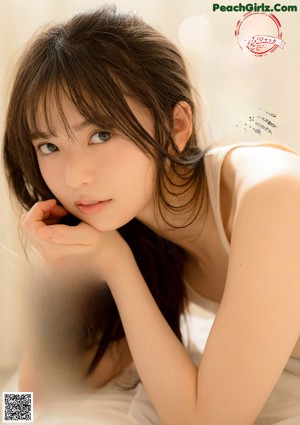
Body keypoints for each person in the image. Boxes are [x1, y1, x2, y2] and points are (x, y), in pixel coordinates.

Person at [3, 4, 300, 424]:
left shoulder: (275, 194)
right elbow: (31, 400)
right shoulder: (138, 235)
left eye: (101, 134)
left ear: (177, 125)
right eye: (49, 146)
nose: (74, 177)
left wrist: (115, 264)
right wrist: (55, 272)